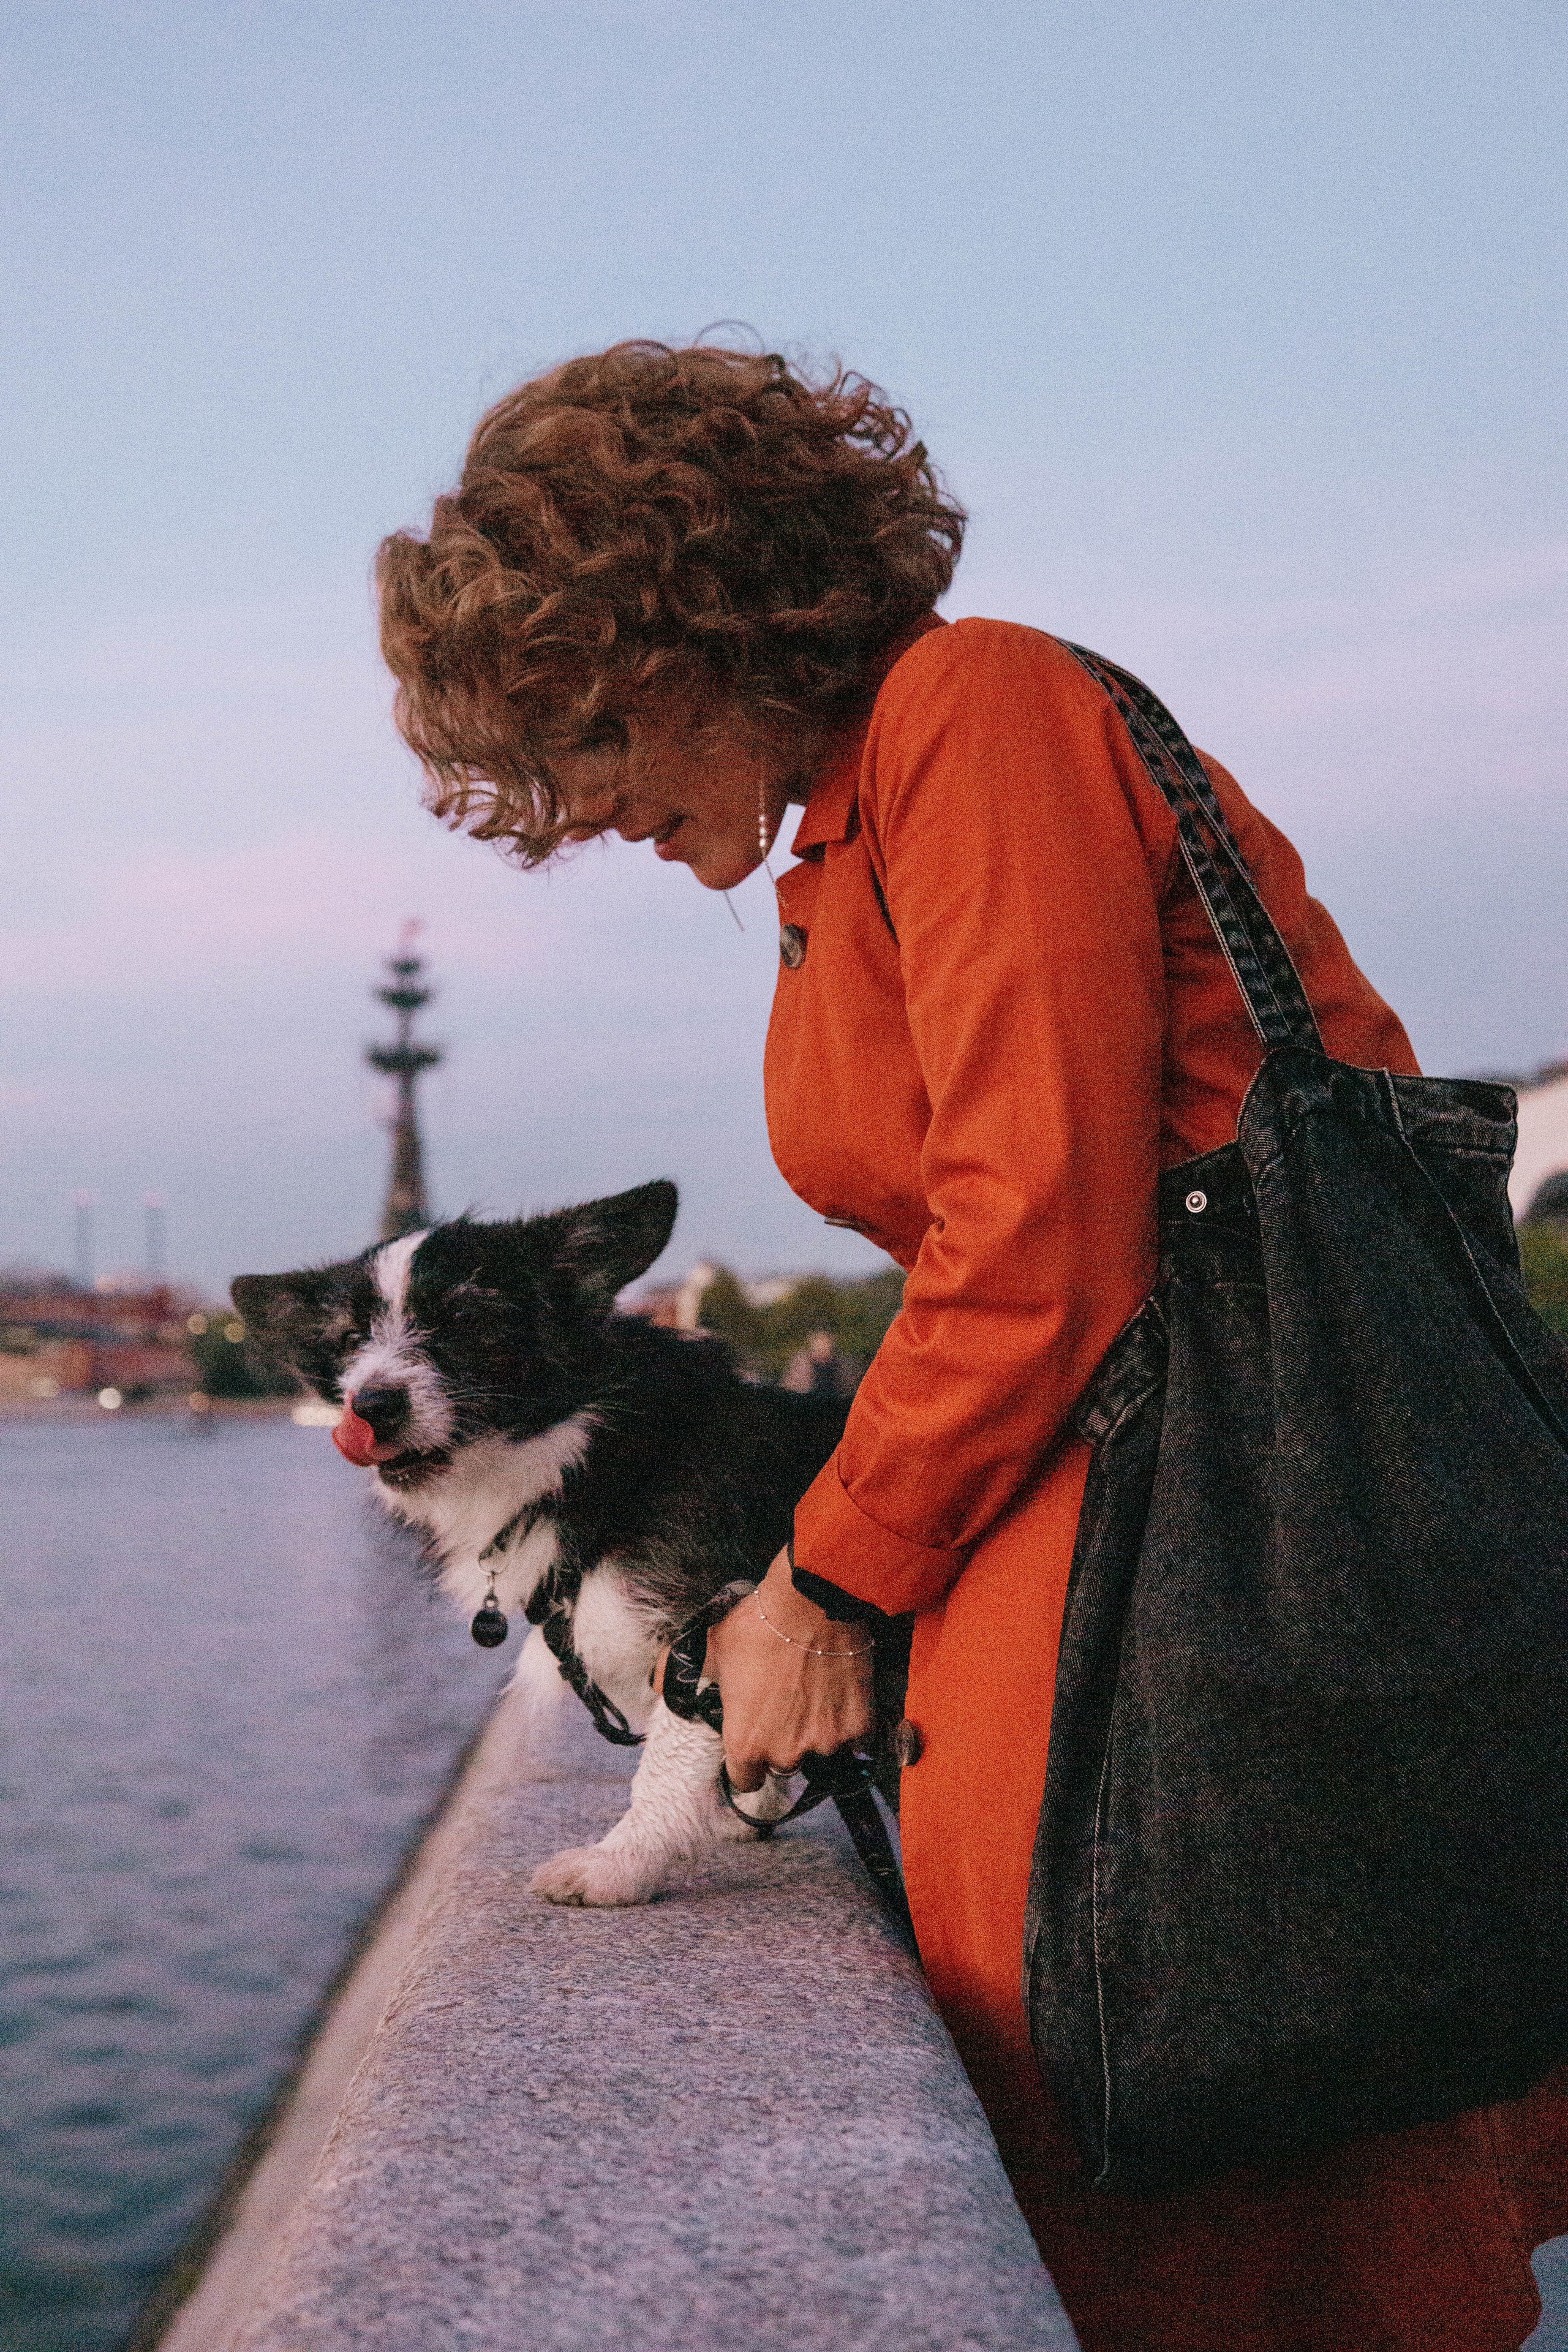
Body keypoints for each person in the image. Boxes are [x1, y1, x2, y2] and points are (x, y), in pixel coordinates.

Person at [375, 342, 1568, 2351]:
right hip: (1114, 1547)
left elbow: (1041, 1235)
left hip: (1215, 1569)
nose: (580, 806)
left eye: (588, 732)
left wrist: (827, 1580)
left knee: (1226, 2189)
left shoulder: (978, 717)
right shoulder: (851, 828)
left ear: (699, 624)